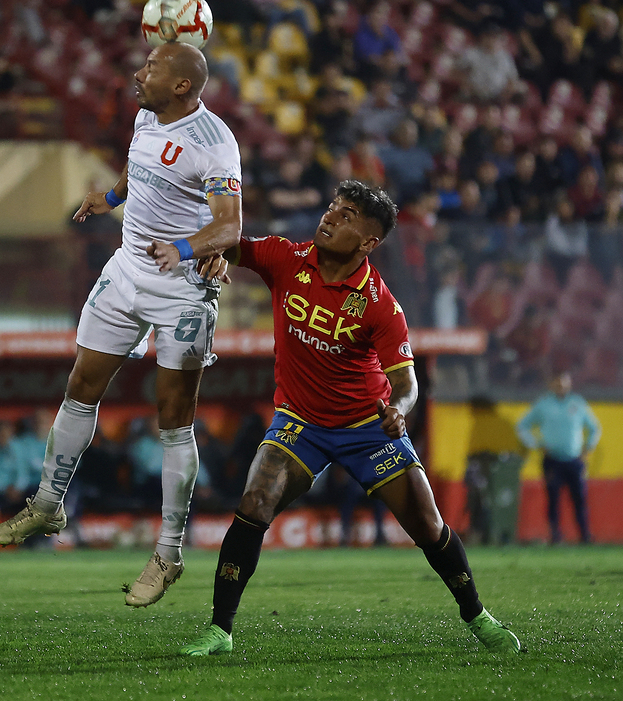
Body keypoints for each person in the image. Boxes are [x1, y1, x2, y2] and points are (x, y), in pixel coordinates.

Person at [179, 180, 521, 657]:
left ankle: (476, 615)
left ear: (368, 242)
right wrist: (215, 253)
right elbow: (231, 242)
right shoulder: (285, 258)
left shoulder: (380, 304)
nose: (331, 216)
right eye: (333, 207)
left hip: (367, 427)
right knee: (255, 499)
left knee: (427, 524)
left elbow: (407, 384)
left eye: (347, 215)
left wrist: (398, 415)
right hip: (300, 422)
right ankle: (220, 630)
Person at [0, 42, 243, 609]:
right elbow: (139, 167)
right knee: (81, 386)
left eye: (150, 68)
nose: (137, 74)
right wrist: (109, 197)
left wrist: (184, 247)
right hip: (126, 270)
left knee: (173, 421)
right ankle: (49, 504)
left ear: (182, 86)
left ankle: (168, 554)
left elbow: (229, 225)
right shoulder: (146, 116)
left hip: (182, 288)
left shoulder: (215, 144)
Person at [515, 372, 601, 544]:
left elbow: (594, 427)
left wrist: (588, 447)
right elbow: (522, 426)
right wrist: (536, 444)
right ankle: (556, 536)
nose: (561, 387)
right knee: (553, 500)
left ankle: (585, 536)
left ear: (569, 385)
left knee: (580, 499)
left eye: (564, 384)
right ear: (552, 385)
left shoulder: (577, 403)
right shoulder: (543, 405)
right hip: (552, 460)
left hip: (574, 460)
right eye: (558, 384)